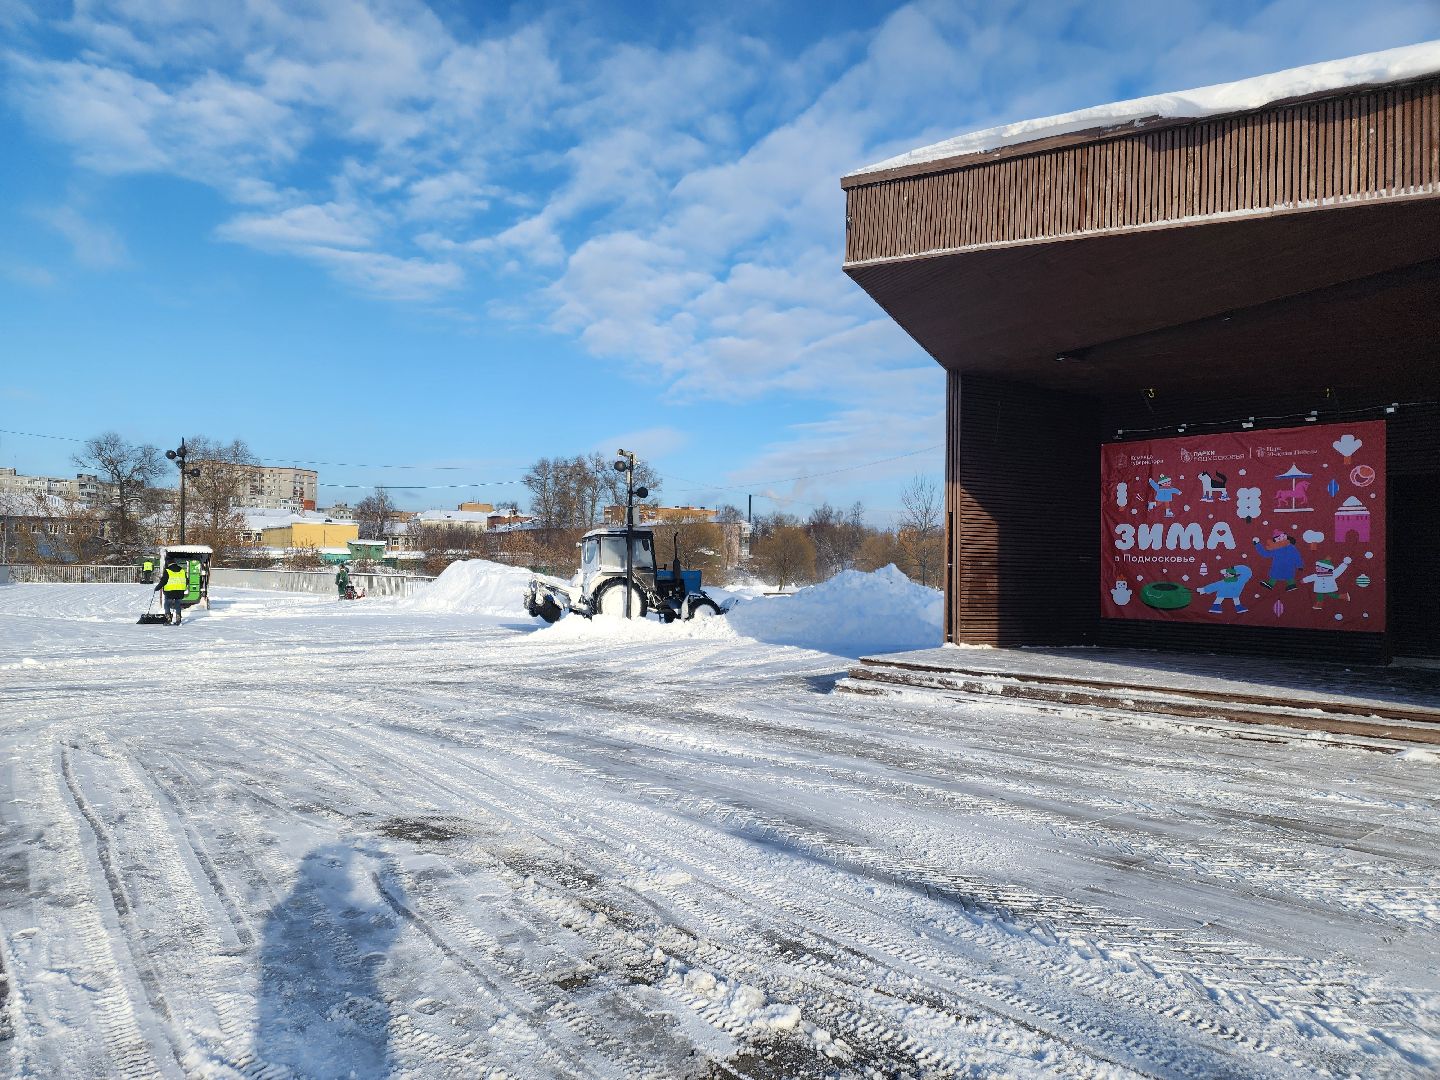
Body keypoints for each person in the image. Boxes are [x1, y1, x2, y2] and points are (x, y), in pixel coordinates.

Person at [154, 558, 189, 625]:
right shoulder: (182, 570)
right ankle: (178, 620)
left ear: (168, 563)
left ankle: (168, 619)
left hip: (170, 591)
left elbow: (163, 581)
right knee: (178, 605)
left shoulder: (167, 570)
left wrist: (157, 588)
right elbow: (186, 580)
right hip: (180, 591)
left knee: (167, 604)